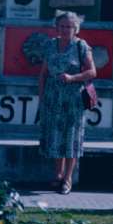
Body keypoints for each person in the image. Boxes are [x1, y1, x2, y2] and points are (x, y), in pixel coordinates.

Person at [38, 10, 96, 194]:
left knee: (71, 138)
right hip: (53, 98)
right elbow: (43, 74)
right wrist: (41, 97)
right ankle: (58, 174)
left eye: (69, 26)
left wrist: (73, 78)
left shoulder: (81, 46)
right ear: (57, 27)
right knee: (55, 137)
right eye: (62, 26)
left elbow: (92, 72)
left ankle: (68, 178)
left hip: (73, 100)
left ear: (76, 28)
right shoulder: (50, 45)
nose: (65, 29)